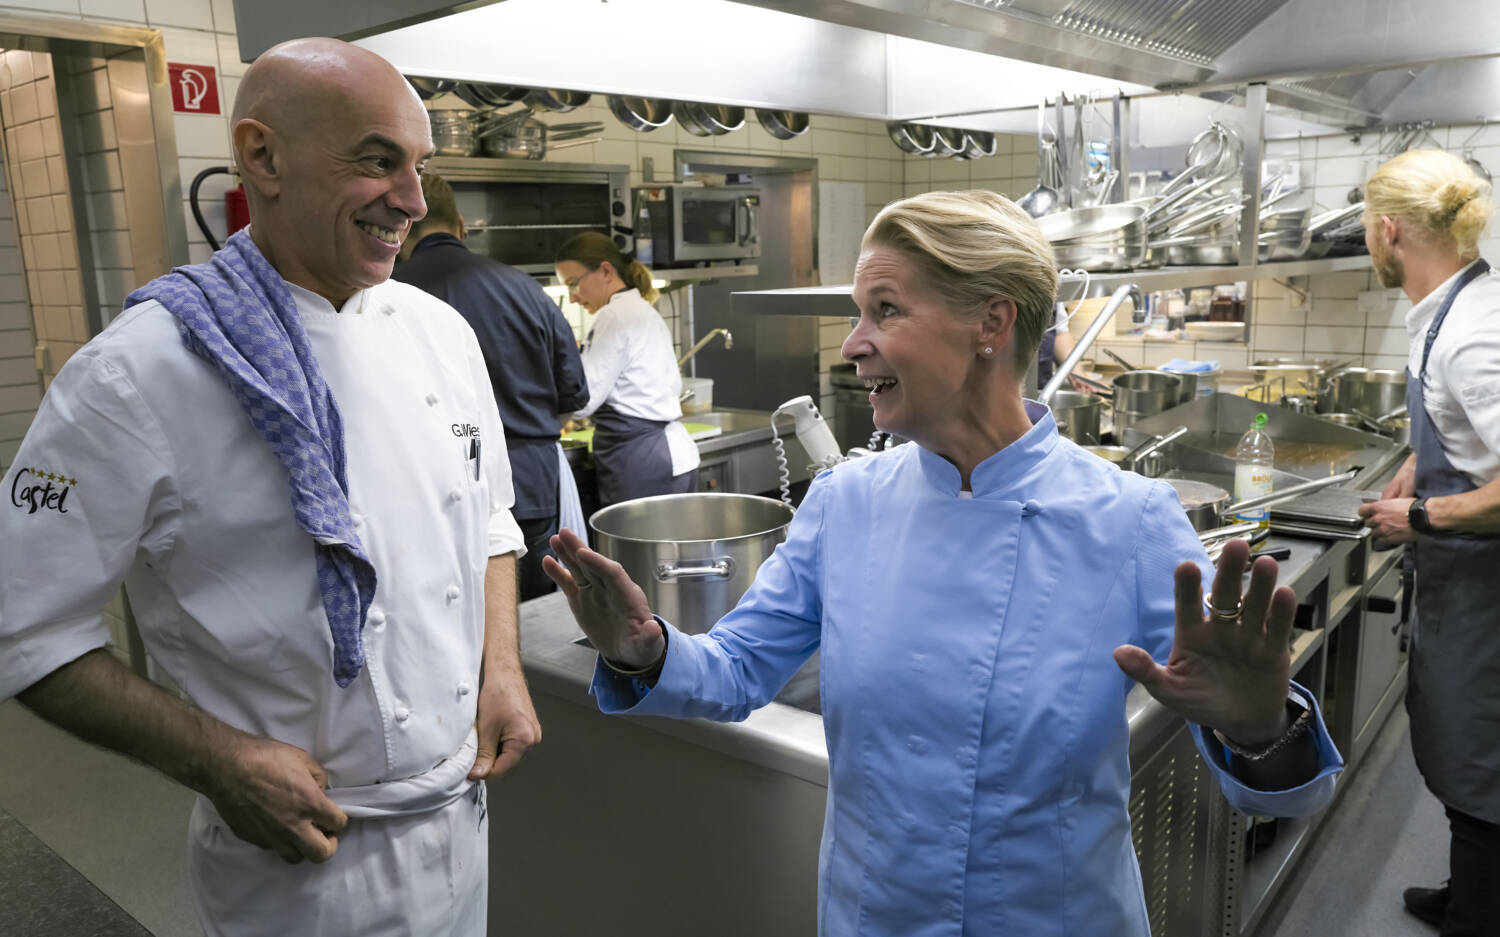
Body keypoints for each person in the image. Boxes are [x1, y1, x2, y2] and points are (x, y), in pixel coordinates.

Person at [543, 190, 1343, 936]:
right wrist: (643, 649)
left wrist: (1259, 726)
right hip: (871, 914)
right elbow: (737, 668)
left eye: (884, 311)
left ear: (990, 323)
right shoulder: (845, 502)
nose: (855, 345)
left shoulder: (1129, 521)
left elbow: (1287, 788)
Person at [0, 39, 539, 937]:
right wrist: (221, 762)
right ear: (261, 155)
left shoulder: (440, 331)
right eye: (376, 160)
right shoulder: (139, 374)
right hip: (300, 866)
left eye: (419, 166)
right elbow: (24, 628)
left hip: (460, 828)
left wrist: (505, 669)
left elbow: (487, 520)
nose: (411, 200)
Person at [1355, 149, 1499, 937]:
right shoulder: (1454, 302)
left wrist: (1420, 518)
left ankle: (1480, 915)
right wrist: (1419, 460)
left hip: (1485, 587)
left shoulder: (1472, 333)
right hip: (1462, 583)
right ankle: (1470, 890)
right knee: (1458, 741)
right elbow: (1468, 429)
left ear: (1388, 230)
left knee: (1482, 759)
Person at [394, 170, 589, 601]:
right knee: (538, 628)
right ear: (461, 225)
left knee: (459, 627)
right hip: (531, 483)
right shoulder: (527, 290)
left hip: (434, 494)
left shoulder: (389, 296)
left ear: (402, 227)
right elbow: (571, 400)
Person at [554, 232, 699, 508]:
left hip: (642, 462)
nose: (572, 298)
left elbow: (582, 400)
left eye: (574, 284)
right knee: (674, 551)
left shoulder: (613, 315)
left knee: (636, 552)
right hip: (670, 458)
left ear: (606, 270)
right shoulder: (640, 309)